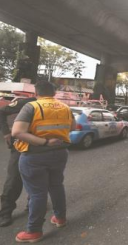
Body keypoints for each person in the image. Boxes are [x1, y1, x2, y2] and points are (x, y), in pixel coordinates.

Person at [12, 81, 75, 243]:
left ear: (36, 93)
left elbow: (17, 132)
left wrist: (45, 142)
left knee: (37, 193)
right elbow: (72, 127)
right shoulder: (65, 108)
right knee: (56, 186)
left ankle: (33, 231)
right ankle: (60, 218)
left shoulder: (32, 107)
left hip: (35, 155)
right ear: (54, 93)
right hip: (60, 153)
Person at [0, 97, 36, 227]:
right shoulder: (26, 102)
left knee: (37, 178)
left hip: (41, 148)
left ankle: (33, 205)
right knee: (13, 179)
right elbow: (2, 112)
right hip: (21, 146)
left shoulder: (54, 106)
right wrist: (6, 133)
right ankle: (5, 213)